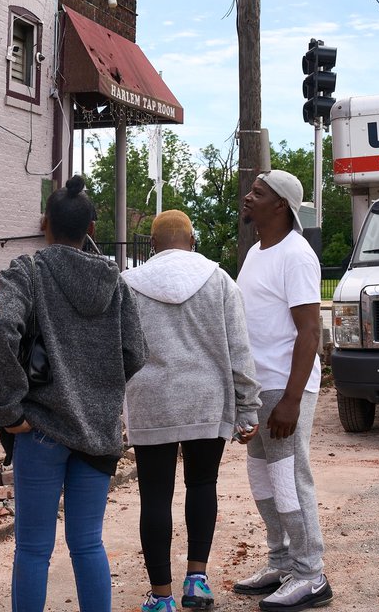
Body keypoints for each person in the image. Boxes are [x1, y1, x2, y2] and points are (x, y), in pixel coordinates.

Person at [0, 175, 148, 612]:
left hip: (40, 430)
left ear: (44, 223)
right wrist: (99, 386)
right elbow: (135, 352)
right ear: (92, 228)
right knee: (87, 543)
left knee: (33, 549)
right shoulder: (116, 283)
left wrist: (7, 408)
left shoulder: (28, 272)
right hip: (97, 432)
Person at [121, 210, 261, 612]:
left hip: (151, 401)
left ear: (151, 245)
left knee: (154, 497)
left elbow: (119, 351)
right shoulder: (219, 281)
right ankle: (197, 582)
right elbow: (239, 348)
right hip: (206, 397)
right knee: (202, 484)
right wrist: (247, 408)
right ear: (193, 239)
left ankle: (161, 597)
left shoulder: (128, 285)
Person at [232, 170, 334, 611]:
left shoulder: (297, 255)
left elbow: (310, 331)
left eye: (259, 193)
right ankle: (281, 560)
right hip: (259, 386)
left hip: (284, 387)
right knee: (262, 478)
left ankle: (311, 574)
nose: (248, 197)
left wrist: (292, 399)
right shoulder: (257, 251)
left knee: (291, 479)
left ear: (280, 206)